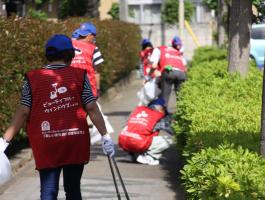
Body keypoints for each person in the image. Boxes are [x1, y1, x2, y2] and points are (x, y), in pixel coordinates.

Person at [0, 34, 115, 200]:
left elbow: (23, 111)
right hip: (75, 139)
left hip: (46, 141)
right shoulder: (80, 76)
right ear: (70, 55)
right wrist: (105, 136)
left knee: (48, 190)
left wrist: (5, 141)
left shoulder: (32, 78)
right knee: (73, 189)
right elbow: (91, 107)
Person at [71, 22, 113, 145]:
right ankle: (87, 140)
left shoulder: (68, 45)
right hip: (87, 89)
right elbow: (96, 72)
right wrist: (98, 89)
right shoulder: (93, 49)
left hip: (68, 87)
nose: (94, 39)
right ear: (89, 35)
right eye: (94, 36)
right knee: (90, 114)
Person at [118, 98, 173, 165]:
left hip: (122, 141)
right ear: (161, 108)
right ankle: (149, 157)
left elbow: (126, 125)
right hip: (138, 143)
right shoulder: (158, 116)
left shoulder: (137, 111)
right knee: (169, 140)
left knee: (136, 133)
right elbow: (171, 130)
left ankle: (131, 155)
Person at [149, 36, 187, 108]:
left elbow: (153, 66)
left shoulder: (158, 49)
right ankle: (181, 115)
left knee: (165, 96)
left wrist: (150, 74)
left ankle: (163, 114)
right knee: (181, 96)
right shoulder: (177, 53)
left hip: (169, 72)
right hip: (182, 73)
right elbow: (185, 67)